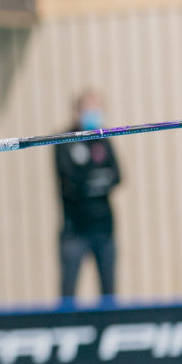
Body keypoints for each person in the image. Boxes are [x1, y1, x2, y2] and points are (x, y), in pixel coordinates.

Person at [55, 89, 121, 299]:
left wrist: (91, 180)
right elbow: (72, 183)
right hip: (74, 230)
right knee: (68, 291)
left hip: (104, 228)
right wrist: (98, 179)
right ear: (77, 111)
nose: (93, 114)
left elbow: (117, 176)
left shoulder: (104, 138)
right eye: (88, 109)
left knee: (109, 292)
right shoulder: (64, 141)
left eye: (97, 109)